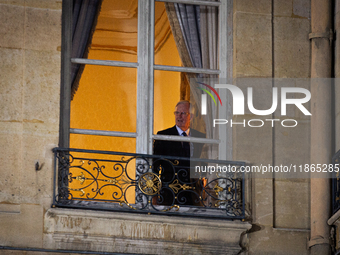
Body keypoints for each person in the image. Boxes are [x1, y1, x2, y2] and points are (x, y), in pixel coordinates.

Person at [153, 100, 205, 205]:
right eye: (177, 113)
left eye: (183, 113)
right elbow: (155, 165)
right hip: (169, 192)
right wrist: (154, 193)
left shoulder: (201, 137)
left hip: (193, 193)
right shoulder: (163, 136)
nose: (179, 116)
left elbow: (204, 162)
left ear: (191, 116)